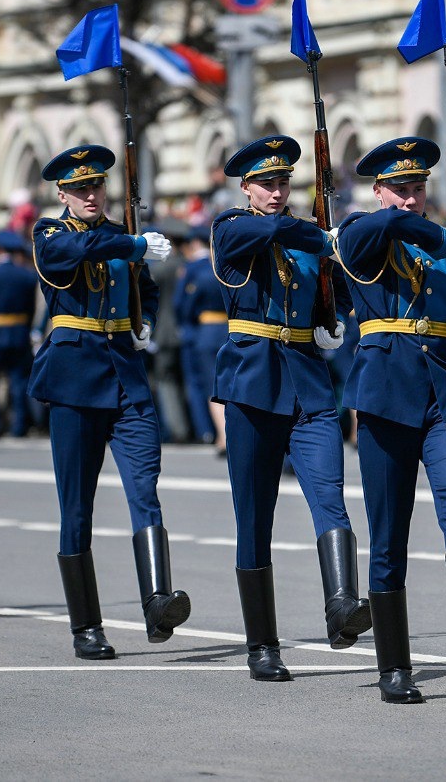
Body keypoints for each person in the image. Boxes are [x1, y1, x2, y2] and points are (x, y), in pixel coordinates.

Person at [336, 136, 446, 704]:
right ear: (378, 191)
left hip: (445, 391)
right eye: (401, 189)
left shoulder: (445, 243)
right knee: (389, 533)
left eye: (418, 188)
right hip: (386, 391)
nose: (411, 199)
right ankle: (394, 666)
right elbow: (388, 227)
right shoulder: (361, 231)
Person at [210, 135, 372, 682]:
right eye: (266, 183)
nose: (277, 192)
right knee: (255, 518)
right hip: (253, 383)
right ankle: (262, 645)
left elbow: (340, 290)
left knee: (331, 497)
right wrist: (322, 235)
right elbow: (274, 233)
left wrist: (335, 319)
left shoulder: (308, 238)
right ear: (246, 188)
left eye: (283, 182)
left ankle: (342, 607)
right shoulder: (231, 227)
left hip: (308, 383)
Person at [30, 144, 189, 659]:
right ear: (63, 195)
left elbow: (147, 289)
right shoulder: (49, 234)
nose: (90, 195)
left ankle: (157, 601)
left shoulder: (123, 236)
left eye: (96, 185)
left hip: (125, 375)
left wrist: (145, 322)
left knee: (145, 487)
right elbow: (77, 252)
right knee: (77, 506)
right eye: (79, 189)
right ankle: (86, 627)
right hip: (75, 379)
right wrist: (134, 245)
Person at [0, 230, 39, 437]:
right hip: (19, 332)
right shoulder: (27, 276)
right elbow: (31, 309)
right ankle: (19, 425)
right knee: (18, 380)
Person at [173, 229, 226, 449]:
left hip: (205, 332)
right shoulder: (225, 269)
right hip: (230, 330)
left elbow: (182, 306)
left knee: (211, 385)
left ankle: (220, 435)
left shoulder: (196, 271)